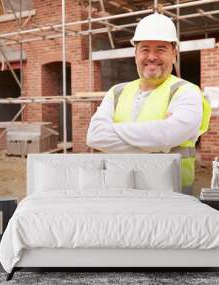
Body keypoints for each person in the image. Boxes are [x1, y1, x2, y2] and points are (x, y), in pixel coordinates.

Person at [86, 12, 211, 195]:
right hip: (121, 192)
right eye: (145, 49)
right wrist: (157, 144)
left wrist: (114, 131)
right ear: (135, 53)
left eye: (161, 49)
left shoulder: (186, 92)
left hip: (171, 196)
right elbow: (95, 136)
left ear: (174, 54)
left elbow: (167, 135)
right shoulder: (117, 92)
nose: (152, 57)